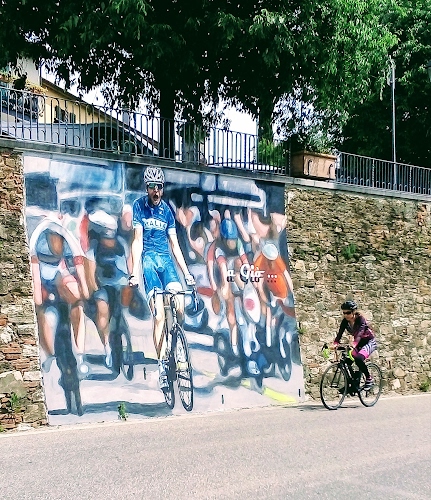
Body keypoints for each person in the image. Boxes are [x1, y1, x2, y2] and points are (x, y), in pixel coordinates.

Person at [129, 167, 195, 390]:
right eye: (151, 187)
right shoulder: (139, 206)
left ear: (163, 188)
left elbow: (175, 245)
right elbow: (137, 241)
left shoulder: (167, 211)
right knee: (158, 316)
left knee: (180, 305)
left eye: (159, 187)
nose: (155, 191)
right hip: (149, 262)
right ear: (146, 188)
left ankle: (176, 342)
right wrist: (134, 272)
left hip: (166, 262)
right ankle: (163, 365)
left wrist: (187, 274)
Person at [333, 300, 377, 389]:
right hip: (358, 343)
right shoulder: (345, 321)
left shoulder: (360, 319)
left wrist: (354, 344)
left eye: (348, 313)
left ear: (353, 312)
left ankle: (369, 378)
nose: (346, 315)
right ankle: (354, 383)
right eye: (344, 313)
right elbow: (340, 333)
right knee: (347, 361)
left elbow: (360, 333)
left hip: (369, 342)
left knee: (358, 358)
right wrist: (335, 343)